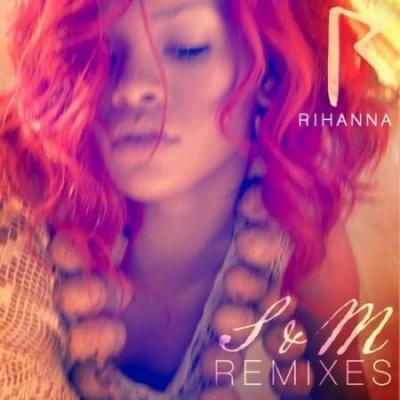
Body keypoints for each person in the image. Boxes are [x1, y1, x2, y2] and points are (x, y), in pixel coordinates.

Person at [0, 0, 389, 399]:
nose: (131, 87)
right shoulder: (23, 215)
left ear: (271, 73)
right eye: (103, 52)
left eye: (187, 48)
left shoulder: (301, 245)